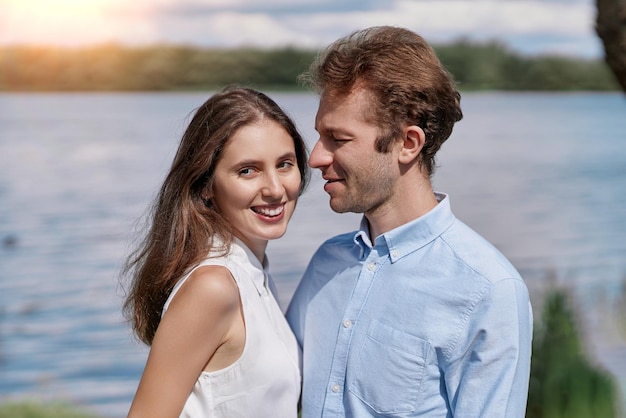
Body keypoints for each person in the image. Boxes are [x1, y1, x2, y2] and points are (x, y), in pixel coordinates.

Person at [286, 26, 533, 417]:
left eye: (338, 138)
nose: (315, 158)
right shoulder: (325, 266)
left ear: (408, 144)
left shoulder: (487, 290)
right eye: (320, 136)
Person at [122, 86, 309, 418]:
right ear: (206, 185)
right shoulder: (214, 287)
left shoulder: (254, 274)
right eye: (247, 170)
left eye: (284, 164)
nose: (275, 189)